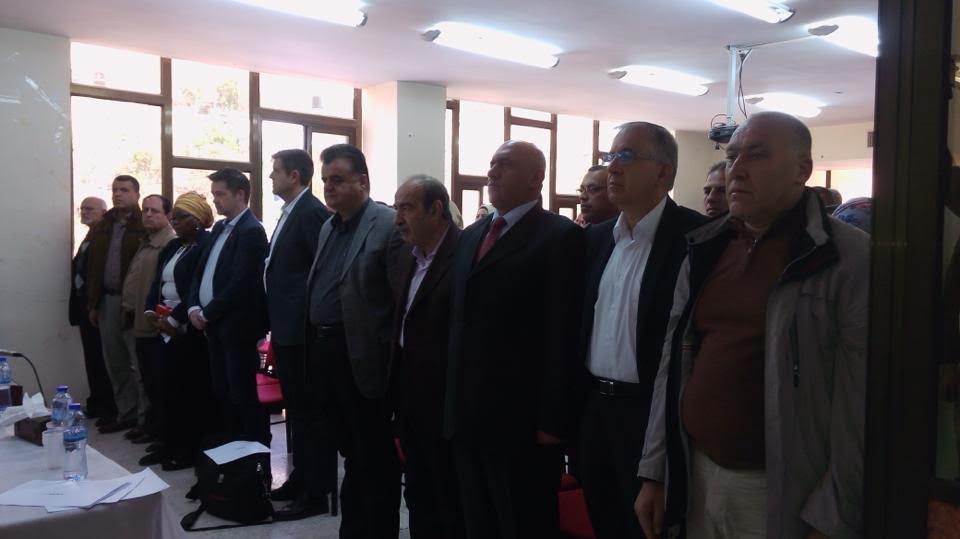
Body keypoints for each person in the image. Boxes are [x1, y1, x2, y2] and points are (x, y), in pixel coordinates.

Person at [634, 111, 869, 539]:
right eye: (732, 156)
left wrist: (834, 515)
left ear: (802, 169)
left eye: (757, 155)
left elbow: (861, 401)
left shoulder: (846, 257)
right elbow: (673, 363)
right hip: (695, 473)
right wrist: (655, 470)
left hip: (780, 491)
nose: (736, 169)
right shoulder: (707, 248)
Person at [445, 140, 585, 539]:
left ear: (536, 177)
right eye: (491, 164)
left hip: (521, 419)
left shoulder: (559, 236)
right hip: (468, 413)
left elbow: (563, 332)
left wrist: (553, 419)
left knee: (522, 521)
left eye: (504, 165)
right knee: (478, 519)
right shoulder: (471, 235)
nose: (492, 172)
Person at [576, 122, 707, 539]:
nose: (612, 168)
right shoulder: (598, 240)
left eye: (626, 156)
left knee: (650, 528)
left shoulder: (695, 237)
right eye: (610, 156)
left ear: (664, 172)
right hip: (596, 409)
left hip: (651, 413)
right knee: (604, 522)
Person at [303, 144, 404, 534]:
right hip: (326, 353)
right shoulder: (329, 226)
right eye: (325, 180)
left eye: (337, 180)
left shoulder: (387, 224)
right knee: (350, 450)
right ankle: (354, 529)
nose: (328, 187)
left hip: (363, 359)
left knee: (373, 455)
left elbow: (399, 302)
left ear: (362, 181)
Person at [392, 175, 465, 539]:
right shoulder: (408, 256)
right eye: (396, 209)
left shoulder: (465, 254)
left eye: (406, 208)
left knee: (447, 495)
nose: (397, 219)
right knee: (418, 490)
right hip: (411, 396)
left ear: (436, 210)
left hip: (447, 400)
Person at [263, 149, 333, 517]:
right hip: (286, 328)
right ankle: (300, 477)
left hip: (303, 331)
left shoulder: (310, 213)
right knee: (298, 413)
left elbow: (320, 272)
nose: (270, 177)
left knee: (310, 414)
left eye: (275, 171)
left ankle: (315, 492)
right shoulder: (291, 211)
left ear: (294, 175)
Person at [187, 168, 270, 445]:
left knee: (241, 393)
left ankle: (254, 449)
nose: (215, 200)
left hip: (237, 327)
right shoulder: (220, 227)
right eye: (214, 194)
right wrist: (193, 307)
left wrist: (207, 312)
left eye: (220, 194)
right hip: (213, 325)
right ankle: (232, 446)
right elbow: (201, 271)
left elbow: (241, 283)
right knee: (222, 390)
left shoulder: (252, 230)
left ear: (240, 194)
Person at [143, 192, 218, 470]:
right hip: (163, 324)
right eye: (174, 215)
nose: (174, 220)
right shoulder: (174, 246)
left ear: (197, 220)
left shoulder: (206, 245)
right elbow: (158, 282)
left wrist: (174, 320)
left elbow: (196, 288)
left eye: (181, 216)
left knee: (187, 391)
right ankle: (167, 443)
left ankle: (187, 449)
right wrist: (150, 311)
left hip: (188, 328)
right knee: (164, 388)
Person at [85, 175, 147, 434]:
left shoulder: (144, 224)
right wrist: (93, 303)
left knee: (138, 362)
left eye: (124, 189)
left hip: (132, 303)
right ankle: (126, 413)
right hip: (107, 300)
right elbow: (94, 266)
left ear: (136, 194)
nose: (118, 194)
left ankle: (145, 419)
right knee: (115, 362)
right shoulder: (104, 225)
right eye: (115, 190)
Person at [120, 194, 176, 445]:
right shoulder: (146, 240)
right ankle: (148, 424)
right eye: (145, 210)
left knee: (155, 380)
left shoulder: (169, 243)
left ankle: (156, 428)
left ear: (168, 215)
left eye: (154, 211)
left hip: (154, 324)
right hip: (137, 318)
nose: (148, 215)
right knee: (143, 375)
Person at [70, 197, 116, 422]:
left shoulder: (106, 237)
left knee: (101, 357)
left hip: (97, 306)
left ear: (103, 212)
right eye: (83, 208)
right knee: (92, 356)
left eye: (90, 208)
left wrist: (94, 303)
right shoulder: (90, 236)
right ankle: (97, 401)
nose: (84, 212)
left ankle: (108, 405)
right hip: (84, 304)